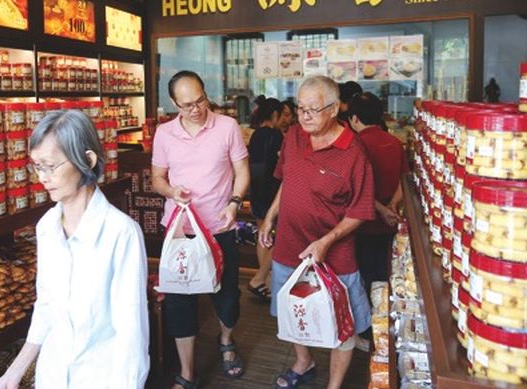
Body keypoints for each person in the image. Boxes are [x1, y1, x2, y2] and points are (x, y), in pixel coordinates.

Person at [0, 110, 149, 389]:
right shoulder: (47, 227)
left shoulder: (120, 233)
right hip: (53, 376)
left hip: (100, 378)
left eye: (50, 166)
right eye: (37, 166)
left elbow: (132, 332)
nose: (42, 177)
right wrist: (15, 370)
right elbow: (46, 307)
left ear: (87, 161)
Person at [259, 76, 375, 389]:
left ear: (335, 108)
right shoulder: (294, 136)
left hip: (335, 254)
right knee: (293, 310)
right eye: (300, 108)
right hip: (288, 247)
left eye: (314, 109)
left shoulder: (353, 152)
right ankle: (303, 360)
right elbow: (287, 179)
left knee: (342, 322)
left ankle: (334, 384)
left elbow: (360, 211)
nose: (305, 116)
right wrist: (271, 215)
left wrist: (327, 241)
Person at [151, 70, 250, 389]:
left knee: (226, 293)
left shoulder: (227, 127)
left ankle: (226, 341)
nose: (195, 109)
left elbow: (242, 171)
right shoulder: (164, 134)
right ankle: (188, 371)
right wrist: (171, 191)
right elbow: (157, 178)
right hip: (180, 230)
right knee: (180, 299)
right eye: (186, 105)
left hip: (219, 226)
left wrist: (235, 201)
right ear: (173, 103)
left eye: (200, 101)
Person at [348, 92, 408, 295]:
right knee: (385, 278)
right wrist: (391, 206)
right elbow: (404, 180)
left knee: (362, 281)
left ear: (354, 119)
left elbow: (356, 187)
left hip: (362, 225)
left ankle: (365, 325)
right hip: (390, 224)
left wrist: (382, 210)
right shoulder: (395, 143)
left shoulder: (354, 145)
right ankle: (381, 321)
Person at [246, 97, 284, 302]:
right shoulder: (276, 135)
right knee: (280, 237)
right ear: (275, 115)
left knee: (263, 235)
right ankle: (260, 278)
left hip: (256, 190)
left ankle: (265, 281)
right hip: (272, 191)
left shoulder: (255, 135)